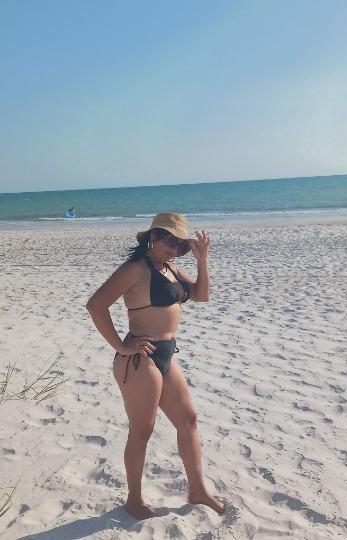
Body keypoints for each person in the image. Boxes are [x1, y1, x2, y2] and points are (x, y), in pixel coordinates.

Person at [86, 213, 224, 519]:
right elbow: (96, 305)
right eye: (170, 242)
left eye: (180, 245)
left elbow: (201, 296)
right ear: (153, 237)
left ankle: (198, 490)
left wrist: (202, 260)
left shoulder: (170, 268)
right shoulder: (135, 269)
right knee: (142, 431)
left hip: (165, 355)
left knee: (188, 420)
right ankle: (133, 500)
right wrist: (121, 346)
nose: (174, 249)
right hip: (140, 360)